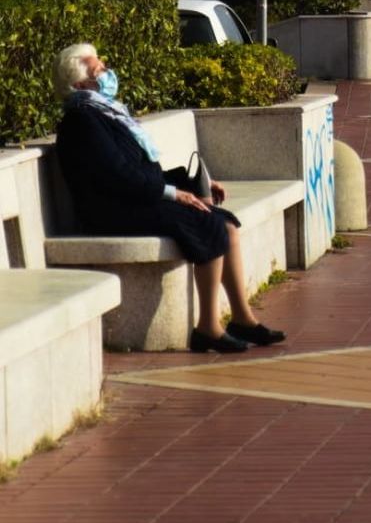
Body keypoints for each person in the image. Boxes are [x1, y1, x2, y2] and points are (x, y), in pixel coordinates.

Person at [52, 44, 286, 355]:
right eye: (100, 71)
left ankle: (243, 319)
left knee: (226, 224)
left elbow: (140, 170)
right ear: (81, 85)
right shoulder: (82, 120)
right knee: (208, 224)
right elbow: (119, 176)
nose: (108, 73)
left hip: (133, 200)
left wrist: (188, 183)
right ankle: (208, 328)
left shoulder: (103, 113)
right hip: (113, 211)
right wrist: (174, 193)